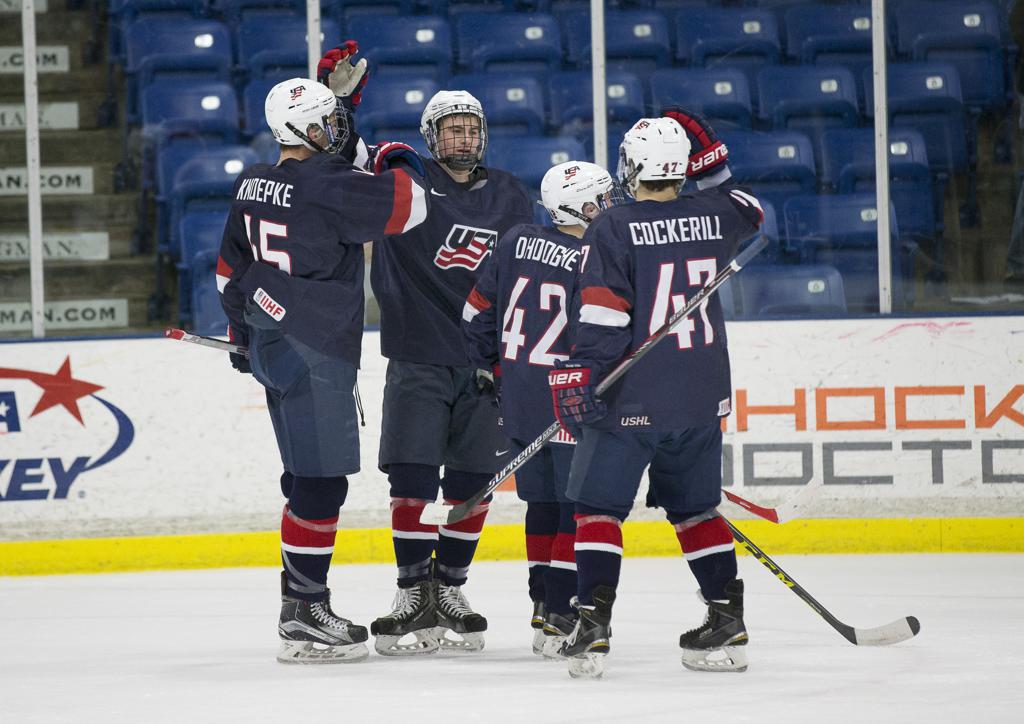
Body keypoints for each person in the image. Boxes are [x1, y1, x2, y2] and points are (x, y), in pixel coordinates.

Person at [217, 73, 429, 664]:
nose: (334, 130)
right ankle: (306, 611)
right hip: (317, 346)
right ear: (304, 129)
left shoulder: (253, 182)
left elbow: (226, 271)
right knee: (320, 483)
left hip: (269, 344)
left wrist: (240, 333)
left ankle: (297, 600)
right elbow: (411, 205)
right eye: (328, 121)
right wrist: (396, 155)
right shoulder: (331, 183)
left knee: (300, 477)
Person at [547, 110, 764, 678]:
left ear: (632, 166)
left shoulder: (614, 225)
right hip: (701, 393)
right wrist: (712, 156)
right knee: (695, 508)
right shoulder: (717, 214)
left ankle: (592, 620)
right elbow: (753, 211)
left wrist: (582, 374)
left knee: (597, 508)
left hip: (633, 394)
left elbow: (601, 312)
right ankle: (726, 616)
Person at [364, 87, 534, 656]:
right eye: (452, 129)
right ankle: (413, 589)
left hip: (486, 364)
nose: (464, 138)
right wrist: (339, 111)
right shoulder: (406, 186)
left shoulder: (511, 193)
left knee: (472, 483)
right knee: (410, 481)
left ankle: (452, 587)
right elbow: (342, 164)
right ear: (431, 137)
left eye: (471, 128)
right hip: (418, 355)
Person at [461, 161, 620, 658]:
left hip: (522, 399)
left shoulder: (513, 240)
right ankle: (561, 611)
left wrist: (491, 365)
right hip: (569, 398)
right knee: (576, 507)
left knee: (543, 504)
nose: (611, 207)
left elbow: (473, 312)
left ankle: (542, 610)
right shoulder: (594, 257)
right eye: (603, 199)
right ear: (581, 207)